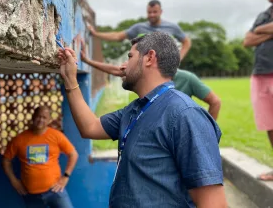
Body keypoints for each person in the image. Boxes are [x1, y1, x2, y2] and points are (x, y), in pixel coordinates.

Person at [58, 32, 227, 207]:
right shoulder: (135, 109)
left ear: (149, 58)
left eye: (130, 57)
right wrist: (70, 80)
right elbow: (90, 127)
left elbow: (214, 203)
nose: (124, 65)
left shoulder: (186, 114)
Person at [80, 44, 221, 120]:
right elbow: (119, 70)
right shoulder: (146, 74)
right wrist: (87, 61)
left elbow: (215, 102)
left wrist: (208, 132)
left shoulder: (187, 78)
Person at [2, 106, 78, 208]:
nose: (41, 120)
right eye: (38, 116)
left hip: (55, 191)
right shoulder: (19, 139)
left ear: (49, 120)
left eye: (44, 117)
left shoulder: (56, 136)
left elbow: (73, 154)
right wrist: (14, 181)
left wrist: (66, 176)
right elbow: (6, 160)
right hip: (31, 195)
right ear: (33, 117)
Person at [88, 0, 191, 60]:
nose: (151, 15)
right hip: (145, 68)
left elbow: (187, 42)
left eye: (154, 12)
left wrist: (179, 58)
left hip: (167, 69)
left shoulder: (172, 27)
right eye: (149, 12)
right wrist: (95, 34)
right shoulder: (139, 28)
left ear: (161, 12)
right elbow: (118, 36)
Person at [243, 0, 273, 181]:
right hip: (260, 73)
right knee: (270, 124)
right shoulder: (263, 15)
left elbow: (254, 35)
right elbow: (247, 40)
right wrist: (268, 30)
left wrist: (260, 31)